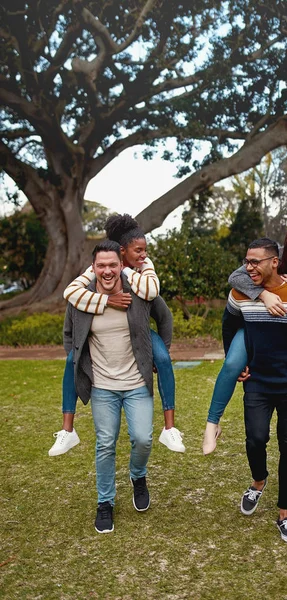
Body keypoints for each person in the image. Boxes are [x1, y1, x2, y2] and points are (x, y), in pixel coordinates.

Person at [203, 219, 287, 458]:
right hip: (257, 324)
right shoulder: (272, 254)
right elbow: (235, 279)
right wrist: (263, 295)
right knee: (232, 364)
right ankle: (212, 424)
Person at [49, 214, 185, 457]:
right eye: (138, 250)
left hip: (140, 332)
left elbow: (162, 312)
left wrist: (159, 349)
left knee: (163, 359)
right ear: (123, 252)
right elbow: (71, 297)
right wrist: (108, 301)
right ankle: (67, 430)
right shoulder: (98, 272)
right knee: (71, 361)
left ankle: (170, 427)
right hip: (102, 339)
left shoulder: (142, 273)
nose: (143, 255)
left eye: (145, 250)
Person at [64, 240, 172, 533]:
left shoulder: (138, 292)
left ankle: (138, 475)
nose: (108, 271)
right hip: (102, 386)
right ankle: (105, 503)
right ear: (93, 268)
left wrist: (158, 355)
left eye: (113, 264)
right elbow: (69, 334)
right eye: (102, 265)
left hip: (137, 382)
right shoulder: (82, 298)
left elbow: (164, 319)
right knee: (106, 444)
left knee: (142, 439)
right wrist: (79, 364)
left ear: (121, 264)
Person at [223, 237, 287, 542]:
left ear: (274, 262)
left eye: (254, 262)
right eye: (246, 261)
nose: (248, 267)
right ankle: (258, 482)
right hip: (257, 382)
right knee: (255, 438)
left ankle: (284, 514)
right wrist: (236, 361)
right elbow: (228, 323)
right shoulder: (242, 291)